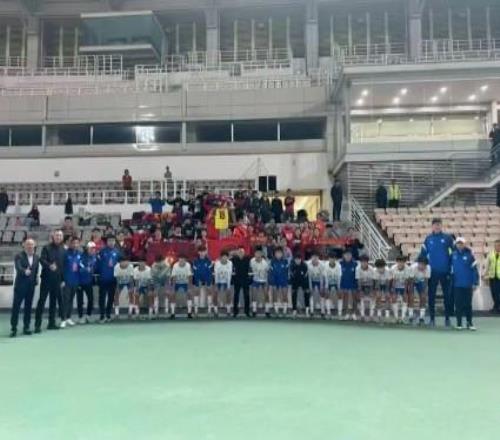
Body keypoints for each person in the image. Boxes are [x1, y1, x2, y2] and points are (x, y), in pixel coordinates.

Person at [419, 218, 454, 327]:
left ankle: (447, 319)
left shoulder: (448, 238)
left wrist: (451, 268)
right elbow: (423, 255)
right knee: (431, 296)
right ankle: (432, 319)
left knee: (447, 296)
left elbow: (453, 254)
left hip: (445, 272)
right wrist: (419, 265)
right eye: (435, 224)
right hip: (432, 273)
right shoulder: (428, 239)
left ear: (441, 225)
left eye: (439, 224)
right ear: (432, 226)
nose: (437, 226)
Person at [34, 230, 65, 333]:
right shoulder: (46, 248)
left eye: (60, 235)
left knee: (53, 302)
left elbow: (63, 266)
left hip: (57, 280)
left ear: (62, 237)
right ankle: (37, 325)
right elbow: (42, 260)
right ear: (53, 236)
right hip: (46, 279)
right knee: (41, 301)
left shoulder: (63, 250)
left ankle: (51, 323)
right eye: (57, 235)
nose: (58, 237)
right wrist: (49, 265)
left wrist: (63, 279)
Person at [10, 238, 40, 337]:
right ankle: (13, 328)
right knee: (16, 307)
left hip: (31, 287)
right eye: (28, 244)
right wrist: (24, 271)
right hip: (20, 286)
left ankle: (26, 327)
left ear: (34, 245)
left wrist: (36, 279)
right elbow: (18, 267)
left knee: (28, 307)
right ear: (24, 245)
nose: (30, 246)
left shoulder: (36, 257)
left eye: (31, 244)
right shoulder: (19, 256)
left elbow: (36, 270)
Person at [451, 237, 479, 330]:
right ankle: (459, 323)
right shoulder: (453, 255)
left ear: (464, 244)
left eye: (461, 243)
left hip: (468, 284)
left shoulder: (470, 255)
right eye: (458, 243)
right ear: (456, 244)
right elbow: (450, 269)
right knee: (458, 304)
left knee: (468, 305)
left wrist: (475, 282)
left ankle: (469, 323)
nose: (460, 245)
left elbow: (475, 270)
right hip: (457, 285)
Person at [97, 235, 121, 323]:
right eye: (109, 241)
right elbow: (98, 264)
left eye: (113, 241)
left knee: (111, 298)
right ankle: (102, 316)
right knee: (102, 298)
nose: (111, 242)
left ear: (115, 242)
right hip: (103, 278)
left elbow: (120, 265)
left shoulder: (117, 252)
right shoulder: (102, 251)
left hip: (113, 279)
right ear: (107, 242)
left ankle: (108, 315)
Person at [61, 236, 81, 328]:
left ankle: (68, 317)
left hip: (75, 281)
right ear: (70, 243)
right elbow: (61, 268)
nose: (75, 245)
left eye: (77, 243)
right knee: (65, 300)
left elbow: (80, 267)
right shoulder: (65, 253)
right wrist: (62, 280)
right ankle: (63, 319)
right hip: (66, 281)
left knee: (71, 300)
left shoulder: (79, 254)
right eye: (73, 243)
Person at [78, 242, 97, 323]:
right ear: (87, 249)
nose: (93, 250)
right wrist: (85, 269)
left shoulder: (94, 257)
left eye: (94, 248)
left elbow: (94, 267)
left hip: (89, 282)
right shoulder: (81, 256)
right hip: (80, 282)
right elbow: (78, 266)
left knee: (91, 299)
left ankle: (88, 316)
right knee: (80, 301)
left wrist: (92, 270)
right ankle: (80, 317)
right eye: (91, 248)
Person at [192, 246, 213, 317]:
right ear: (198, 252)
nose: (202, 253)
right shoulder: (195, 261)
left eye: (203, 251)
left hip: (207, 278)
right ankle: (196, 311)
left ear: (206, 252)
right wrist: (198, 281)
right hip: (198, 278)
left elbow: (210, 272)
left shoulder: (209, 261)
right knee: (196, 291)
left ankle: (209, 311)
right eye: (201, 251)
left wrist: (208, 281)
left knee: (209, 291)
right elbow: (195, 272)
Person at [409, 256, 430, 325]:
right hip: (412, 280)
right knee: (411, 297)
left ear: (426, 265)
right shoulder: (413, 267)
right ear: (418, 263)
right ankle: (411, 315)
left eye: (424, 265)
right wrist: (411, 292)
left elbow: (426, 281)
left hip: (421, 281)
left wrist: (424, 291)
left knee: (423, 297)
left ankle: (421, 317)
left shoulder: (428, 268)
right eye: (421, 264)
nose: (422, 266)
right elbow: (411, 281)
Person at [231, 246, 251, 317]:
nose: (241, 253)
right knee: (236, 295)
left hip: (245, 279)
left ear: (244, 253)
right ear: (237, 253)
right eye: (239, 252)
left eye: (242, 252)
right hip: (237, 279)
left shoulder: (248, 259)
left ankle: (247, 311)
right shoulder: (233, 259)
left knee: (247, 295)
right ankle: (235, 312)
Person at [390, 256, 411, 323]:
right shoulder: (393, 268)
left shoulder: (408, 268)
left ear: (404, 262)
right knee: (394, 298)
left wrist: (405, 292)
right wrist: (393, 291)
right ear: (397, 262)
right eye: (399, 262)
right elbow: (393, 281)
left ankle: (402, 318)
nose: (400, 263)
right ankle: (396, 318)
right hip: (395, 286)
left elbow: (407, 281)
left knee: (405, 298)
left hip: (404, 286)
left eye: (402, 262)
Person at [250, 246, 269, 317]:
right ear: (254, 254)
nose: (257, 255)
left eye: (259, 253)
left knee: (266, 295)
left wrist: (266, 282)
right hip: (255, 280)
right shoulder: (251, 261)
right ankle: (254, 310)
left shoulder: (265, 263)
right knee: (254, 294)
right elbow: (250, 270)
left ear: (261, 254)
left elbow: (268, 273)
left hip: (264, 280)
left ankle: (267, 310)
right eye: (256, 253)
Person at [339, 250, 357, 320]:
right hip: (344, 284)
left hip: (353, 284)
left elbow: (357, 275)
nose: (348, 256)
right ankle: (346, 313)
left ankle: (354, 313)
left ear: (351, 255)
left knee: (354, 299)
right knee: (345, 299)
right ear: (344, 256)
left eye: (349, 255)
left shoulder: (355, 264)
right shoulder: (340, 263)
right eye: (346, 255)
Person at [214, 251, 233, 316]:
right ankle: (215, 310)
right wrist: (216, 285)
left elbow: (229, 275)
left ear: (228, 257)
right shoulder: (217, 263)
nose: (224, 258)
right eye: (223, 257)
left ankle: (228, 310)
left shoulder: (230, 263)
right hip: (218, 281)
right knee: (215, 294)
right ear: (221, 257)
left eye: (226, 257)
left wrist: (228, 286)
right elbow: (216, 274)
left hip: (226, 281)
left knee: (228, 294)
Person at [290, 253, 309, 318]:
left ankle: (307, 310)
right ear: (294, 260)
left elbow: (306, 276)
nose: (297, 260)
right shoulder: (292, 266)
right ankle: (294, 310)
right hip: (295, 281)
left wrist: (305, 286)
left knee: (307, 293)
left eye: (299, 259)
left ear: (301, 259)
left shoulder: (304, 265)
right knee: (293, 294)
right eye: (296, 259)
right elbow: (292, 275)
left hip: (304, 281)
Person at [356, 255, 375, 321]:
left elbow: (373, 281)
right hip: (361, 286)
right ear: (360, 262)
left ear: (367, 262)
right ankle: (362, 315)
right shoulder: (358, 269)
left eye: (365, 262)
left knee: (372, 299)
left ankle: (371, 316)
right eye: (362, 262)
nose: (364, 263)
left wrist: (372, 291)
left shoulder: (371, 269)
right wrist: (360, 291)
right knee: (361, 299)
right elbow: (358, 281)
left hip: (370, 285)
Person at [484, 239, 500, 314]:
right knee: (493, 293)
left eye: (498, 245)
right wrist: (484, 274)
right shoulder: (490, 254)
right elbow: (487, 265)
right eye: (496, 245)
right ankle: (496, 307)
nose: (497, 247)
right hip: (492, 277)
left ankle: (496, 307)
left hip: (499, 277)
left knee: (497, 293)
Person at [323, 253, 341, 318]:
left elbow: (339, 277)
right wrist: (326, 287)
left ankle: (339, 313)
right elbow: (326, 277)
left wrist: (339, 287)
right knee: (327, 295)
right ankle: (328, 312)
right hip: (329, 282)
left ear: (335, 259)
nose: (331, 260)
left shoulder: (338, 266)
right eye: (330, 258)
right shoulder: (326, 265)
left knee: (340, 295)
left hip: (336, 282)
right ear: (328, 259)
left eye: (333, 258)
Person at [307, 252, 324, 317]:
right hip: (312, 280)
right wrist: (310, 287)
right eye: (313, 257)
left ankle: (322, 311)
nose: (315, 259)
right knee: (310, 294)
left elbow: (322, 276)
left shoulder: (321, 264)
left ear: (318, 258)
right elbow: (309, 277)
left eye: (316, 257)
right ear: (311, 258)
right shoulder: (308, 264)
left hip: (319, 280)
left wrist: (321, 286)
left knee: (322, 294)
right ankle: (311, 311)